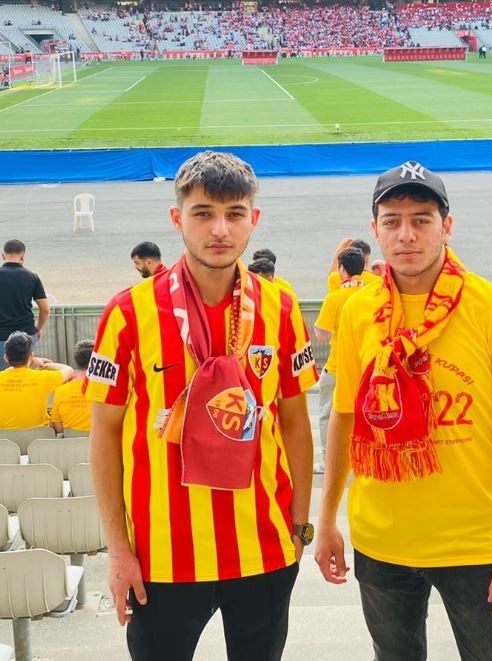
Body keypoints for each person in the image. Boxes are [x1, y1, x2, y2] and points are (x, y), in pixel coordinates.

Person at [315, 160, 492, 661]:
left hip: (475, 545)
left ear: (447, 226)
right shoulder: (357, 313)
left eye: (421, 220)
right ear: (375, 230)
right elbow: (345, 417)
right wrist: (328, 517)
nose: (406, 235)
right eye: (392, 221)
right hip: (380, 543)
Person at [84, 151, 318, 661]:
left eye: (235, 214)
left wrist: (301, 526)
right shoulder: (128, 312)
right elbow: (104, 433)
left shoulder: (280, 308)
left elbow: (296, 423)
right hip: (161, 557)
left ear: (254, 219)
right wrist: (117, 549)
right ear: (177, 218)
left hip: (263, 549)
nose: (219, 229)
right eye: (203, 213)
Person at [313, 247, 364, 474]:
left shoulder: (334, 298)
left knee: (327, 414)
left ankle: (329, 462)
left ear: (342, 270)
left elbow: (321, 335)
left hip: (336, 367)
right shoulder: (372, 292)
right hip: (366, 368)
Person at [0, 331, 73, 429]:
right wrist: (44, 364)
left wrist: (31, 358)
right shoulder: (42, 377)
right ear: (31, 356)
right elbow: (69, 370)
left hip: (4, 437)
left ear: (6, 358)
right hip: (41, 434)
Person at [0, 239, 50, 371]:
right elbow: (45, 309)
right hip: (26, 335)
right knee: (24, 373)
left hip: (1, 336)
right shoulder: (32, 277)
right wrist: (38, 328)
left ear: (3, 256)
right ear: (23, 256)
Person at [50, 339, 94, 435]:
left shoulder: (61, 391)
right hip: (101, 442)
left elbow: (58, 426)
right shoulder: (106, 389)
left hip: (70, 443)